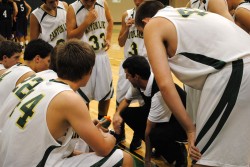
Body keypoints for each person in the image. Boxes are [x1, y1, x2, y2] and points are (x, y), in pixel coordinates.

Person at [135, 1, 250, 166]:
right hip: (236, 68)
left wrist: (189, 129)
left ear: (145, 22)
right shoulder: (182, 14)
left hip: (234, 71)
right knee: (230, 157)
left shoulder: (153, 25)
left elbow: (165, 86)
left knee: (203, 156)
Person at [0, 39, 134, 167]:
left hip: (9, 158)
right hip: (30, 163)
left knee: (79, 147)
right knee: (124, 158)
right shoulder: (70, 98)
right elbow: (103, 149)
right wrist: (114, 134)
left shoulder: (43, 81)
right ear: (90, 71)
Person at [113, 55, 188, 167]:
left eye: (127, 75)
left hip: (181, 123)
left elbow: (148, 130)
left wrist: (147, 159)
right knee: (125, 113)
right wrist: (117, 114)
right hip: (164, 116)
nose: (126, 77)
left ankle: (179, 154)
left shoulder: (158, 93)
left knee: (154, 134)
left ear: (136, 76)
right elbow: (126, 100)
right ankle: (160, 148)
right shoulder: (140, 82)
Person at [67, 0, 114, 120]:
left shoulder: (103, 4)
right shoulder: (73, 8)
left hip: (101, 56)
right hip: (83, 58)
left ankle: (102, 125)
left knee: (105, 95)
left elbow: (110, 20)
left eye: (93, 0)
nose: (90, 3)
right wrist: (86, 22)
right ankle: (86, 126)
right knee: (83, 97)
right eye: (87, 1)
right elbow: (70, 35)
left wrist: (108, 37)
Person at [116, 0, 146, 151]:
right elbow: (120, 42)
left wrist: (142, 27)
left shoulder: (153, 14)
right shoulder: (126, 14)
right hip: (127, 64)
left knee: (143, 102)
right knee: (120, 99)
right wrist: (127, 29)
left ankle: (138, 136)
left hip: (145, 64)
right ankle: (120, 133)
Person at [0, 39, 52, 107]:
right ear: (37, 59)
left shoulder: (15, 68)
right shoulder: (29, 75)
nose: (49, 66)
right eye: (48, 61)